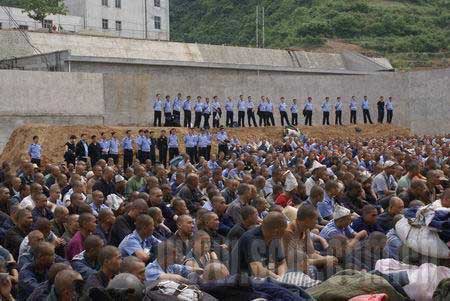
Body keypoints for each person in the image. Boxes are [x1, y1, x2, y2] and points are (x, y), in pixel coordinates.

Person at [283, 204, 338, 273]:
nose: (316, 222)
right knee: (312, 269)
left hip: (304, 260)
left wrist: (329, 259)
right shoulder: (288, 232)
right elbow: (297, 262)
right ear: (307, 220)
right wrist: (323, 260)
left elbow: (311, 254)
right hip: (292, 266)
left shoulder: (305, 229)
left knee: (330, 263)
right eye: (315, 219)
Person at [232, 212, 287, 278]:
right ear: (276, 232)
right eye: (284, 230)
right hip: (243, 280)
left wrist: (282, 277)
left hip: (262, 278)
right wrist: (277, 278)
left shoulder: (274, 238)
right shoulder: (251, 239)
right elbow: (258, 271)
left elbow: (281, 263)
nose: (285, 233)